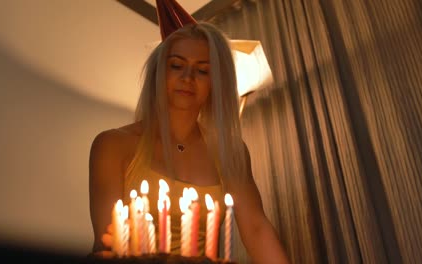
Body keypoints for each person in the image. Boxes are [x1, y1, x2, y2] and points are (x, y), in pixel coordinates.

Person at [88, 1, 289, 263]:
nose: (187, 77)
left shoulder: (230, 151)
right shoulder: (113, 145)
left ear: (216, 82)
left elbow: (256, 229)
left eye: (202, 70)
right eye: (176, 65)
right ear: (159, 72)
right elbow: (108, 238)